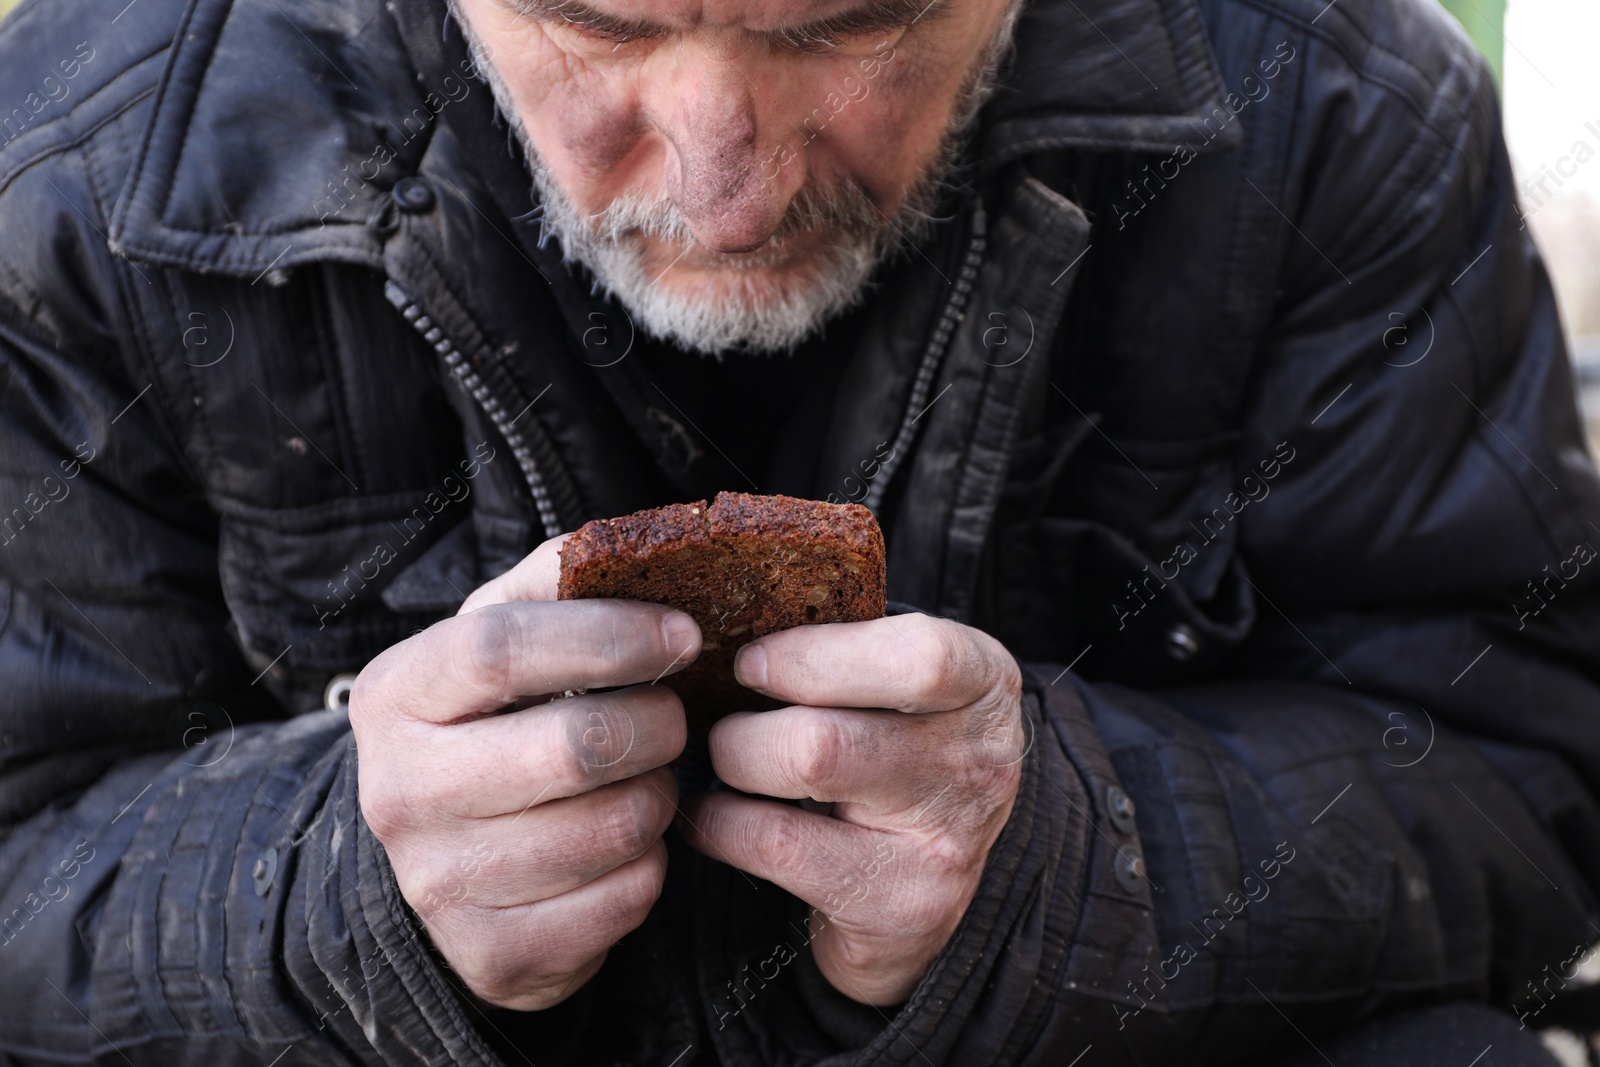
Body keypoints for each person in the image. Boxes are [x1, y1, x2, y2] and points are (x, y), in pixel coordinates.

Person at [1, 0, 1597, 1061]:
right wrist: (337, 893)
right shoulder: (82, 172)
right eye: (599, 21)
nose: (723, 187)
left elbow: (1526, 780)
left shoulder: (1331, 115)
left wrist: (1061, 866)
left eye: (845, 22)